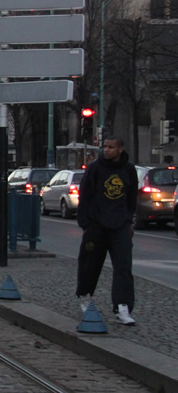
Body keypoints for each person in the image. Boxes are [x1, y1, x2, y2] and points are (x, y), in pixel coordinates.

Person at [75, 136, 139, 325]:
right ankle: (85, 296)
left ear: (120, 149)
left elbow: (131, 196)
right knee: (90, 264)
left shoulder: (128, 169)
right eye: (105, 147)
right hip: (96, 224)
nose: (107, 150)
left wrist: (129, 220)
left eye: (111, 147)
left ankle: (122, 306)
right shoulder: (95, 168)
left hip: (120, 225)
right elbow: (85, 195)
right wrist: (85, 224)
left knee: (123, 266)